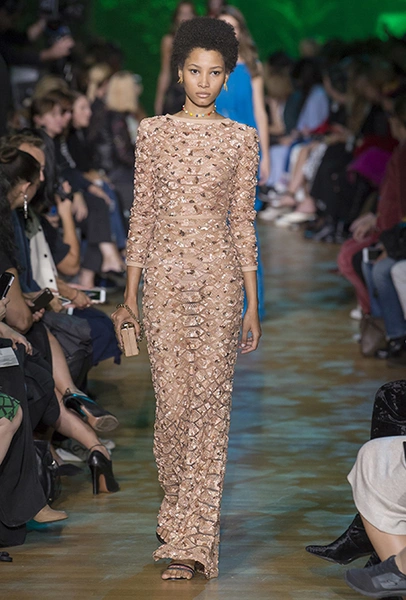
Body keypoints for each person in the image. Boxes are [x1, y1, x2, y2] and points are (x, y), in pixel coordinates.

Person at [112, 16, 261, 580]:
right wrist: (130, 296)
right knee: (173, 410)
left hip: (220, 284)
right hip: (163, 286)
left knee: (209, 409)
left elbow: (243, 222)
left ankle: (192, 541)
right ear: (179, 73)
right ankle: (177, 512)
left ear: (228, 77)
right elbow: (142, 214)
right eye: (195, 71)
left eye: (214, 72)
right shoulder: (153, 133)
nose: (204, 82)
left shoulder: (241, 139)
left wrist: (252, 303)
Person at [154, 1, 196, 116]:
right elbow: (165, 71)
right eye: (182, 14)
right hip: (175, 94)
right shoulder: (169, 41)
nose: (185, 18)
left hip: (195, 93)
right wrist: (159, 100)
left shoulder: (200, 42)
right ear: (176, 17)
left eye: (189, 13)